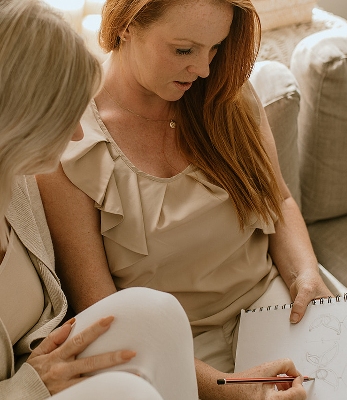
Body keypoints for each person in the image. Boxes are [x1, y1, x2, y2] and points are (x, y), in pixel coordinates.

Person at [36, 0, 344, 398]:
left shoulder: (224, 93)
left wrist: (306, 276)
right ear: (127, 26)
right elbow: (105, 314)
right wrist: (231, 388)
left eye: (215, 47)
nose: (204, 69)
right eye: (184, 50)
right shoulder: (71, 143)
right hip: (175, 353)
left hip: (277, 306)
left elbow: (279, 200)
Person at [0, 1, 198, 399]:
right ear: (19, 117)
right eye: (63, 117)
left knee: (154, 313)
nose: (77, 134)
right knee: (126, 393)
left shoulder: (16, 182)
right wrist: (26, 387)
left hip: (32, 364)